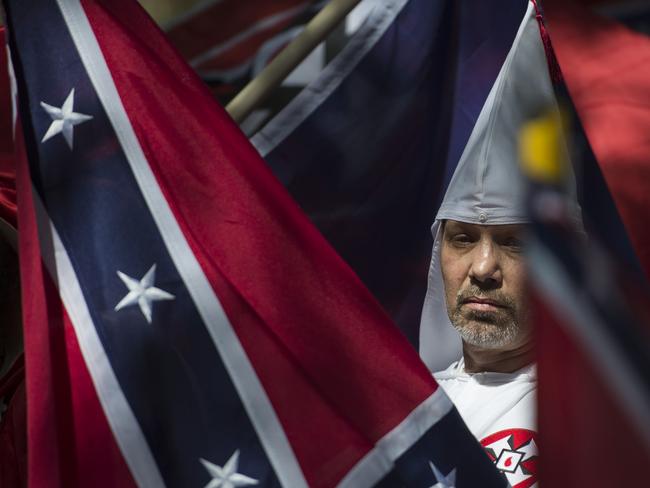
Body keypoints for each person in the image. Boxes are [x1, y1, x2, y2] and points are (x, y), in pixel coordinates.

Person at [418, 2, 581, 486]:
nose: (483, 268)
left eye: (514, 243)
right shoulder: (403, 412)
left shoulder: (601, 414)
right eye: (463, 238)